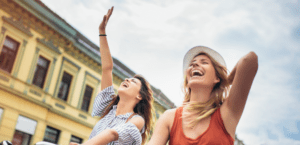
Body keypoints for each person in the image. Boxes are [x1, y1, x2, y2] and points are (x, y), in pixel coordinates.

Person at [70, 6, 154, 145]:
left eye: (133, 81)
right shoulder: (108, 107)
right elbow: (107, 69)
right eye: (127, 78)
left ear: (139, 96)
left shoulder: (137, 120)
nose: (126, 79)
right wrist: (102, 31)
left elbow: (112, 134)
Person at [148, 46, 258, 145]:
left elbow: (250, 60)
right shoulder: (170, 117)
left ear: (217, 78)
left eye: (204, 62)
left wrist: (225, 81)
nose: (194, 64)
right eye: (192, 64)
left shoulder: (226, 114)